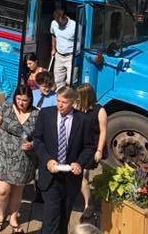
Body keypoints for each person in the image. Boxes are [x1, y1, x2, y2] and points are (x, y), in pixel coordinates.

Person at [32, 86, 97, 234]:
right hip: (50, 175)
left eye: (64, 102)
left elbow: (89, 147)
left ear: (73, 102)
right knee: (51, 218)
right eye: (58, 101)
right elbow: (38, 140)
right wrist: (47, 160)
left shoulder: (83, 120)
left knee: (64, 218)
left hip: (70, 178)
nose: (60, 105)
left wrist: (79, 163)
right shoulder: (46, 114)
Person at [0, 84, 40, 234]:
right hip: (3, 154)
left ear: (30, 99)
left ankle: (13, 217)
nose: (21, 102)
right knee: (3, 190)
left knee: (18, 190)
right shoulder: (5, 107)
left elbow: (41, 137)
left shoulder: (37, 114)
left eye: (24, 100)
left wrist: (33, 145)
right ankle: (0, 215)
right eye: (18, 99)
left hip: (24, 157)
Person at [75, 83, 107, 220]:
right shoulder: (77, 107)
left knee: (83, 174)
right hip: (79, 144)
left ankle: (89, 204)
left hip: (92, 146)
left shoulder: (100, 111)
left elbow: (103, 132)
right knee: (80, 174)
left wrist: (99, 150)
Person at [50, 8, 77, 88]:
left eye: (60, 22)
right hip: (59, 55)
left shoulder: (74, 25)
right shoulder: (54, 23)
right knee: (58, 81)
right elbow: (53, 35)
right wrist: (53, 48)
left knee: (70, 81)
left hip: (71, 56)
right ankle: (60, 98)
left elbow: (79, 41)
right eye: (57, 22)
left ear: (65, 17)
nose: (59, 24)